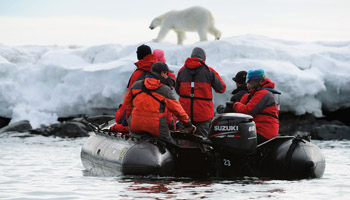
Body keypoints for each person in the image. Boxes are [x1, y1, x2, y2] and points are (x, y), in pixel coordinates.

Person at [122, 61, 196, 140]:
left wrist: (130, 120)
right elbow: (177, 109)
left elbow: (128, 104)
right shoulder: (164, 90)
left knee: (134, 140)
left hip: (135, 126)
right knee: (171, 145)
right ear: (162, 73)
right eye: (166, 74)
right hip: (156, 128)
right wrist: (188, 124)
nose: (167, 76)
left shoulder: (136, 85)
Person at [176, 47, 226, 138]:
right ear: (203, 58)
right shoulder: (209, 71)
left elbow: (178, 90)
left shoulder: (181, 71)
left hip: (185, 114)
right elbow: (221, 88)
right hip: (203, 114)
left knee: (184, 142)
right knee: (203, 142)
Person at [110, 44, 158, 133]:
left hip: (139, 114)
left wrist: (126, 120)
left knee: (119, 120)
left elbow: (130, 99)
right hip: (158, 117)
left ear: (139, 55)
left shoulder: (138, 74)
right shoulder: (159, 70)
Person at [230, 69, 279, 144]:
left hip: (262, 131)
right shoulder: (265, 93)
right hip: (265, 130)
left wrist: (234, 105)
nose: (247, 84)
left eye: (248, 82)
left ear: (254, 82)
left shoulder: (263, 94)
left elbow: (248, 111)